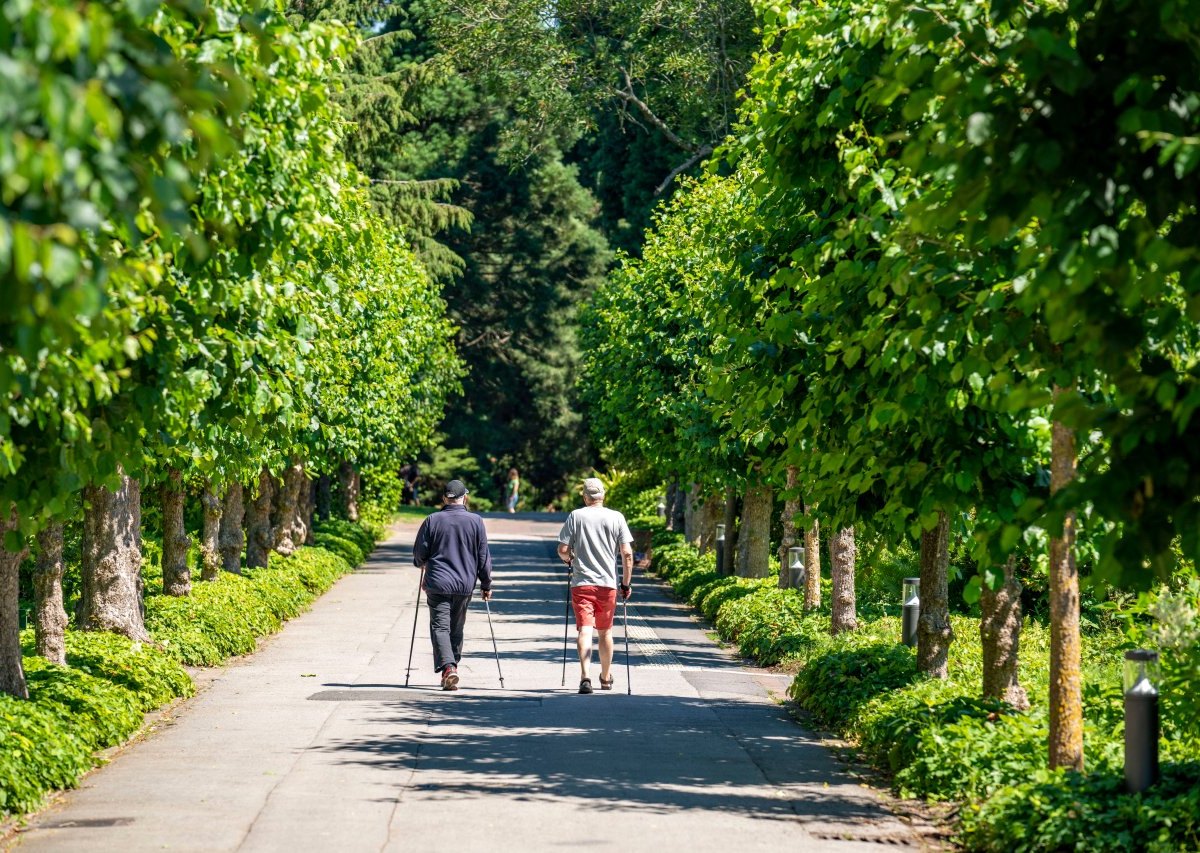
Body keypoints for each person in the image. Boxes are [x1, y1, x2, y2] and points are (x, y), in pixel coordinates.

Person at [412, 479, 493, 690]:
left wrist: (422, 564)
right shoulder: (476, 521)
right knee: (456, 628)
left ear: (444, 498)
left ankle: (449, 668)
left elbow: (419, 554)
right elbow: (483, 556)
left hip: (437, 582)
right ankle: (451, 667)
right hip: (465, 583)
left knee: (440, 627)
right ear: (464, 498)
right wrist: (486, 583)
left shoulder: (432, 520)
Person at [556, 477, 633, 694]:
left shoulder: (576, 516)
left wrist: (570, 559)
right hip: (608, 584)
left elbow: (562, 550)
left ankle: (585, 676)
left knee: (585, 630)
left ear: (585, 497)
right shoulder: (616, 517)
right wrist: (625, 583)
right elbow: (627, 554)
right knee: (605, 632)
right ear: (603, 496)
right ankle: (606, 678)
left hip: (581, 583)